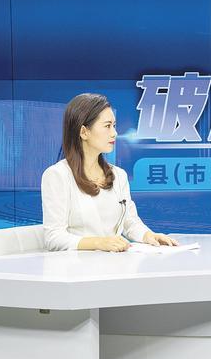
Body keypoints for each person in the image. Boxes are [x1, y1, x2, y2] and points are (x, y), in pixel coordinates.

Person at [42, 93, 178, 252]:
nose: (114, 133)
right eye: (107, 126)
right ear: (84, 132)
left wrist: (149, 235)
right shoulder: (57, 175)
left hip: (116, 262)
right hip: (77, 265)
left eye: (114, 125)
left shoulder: (119, 175)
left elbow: (130, 222)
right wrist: (98, 243)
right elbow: (53, 237)